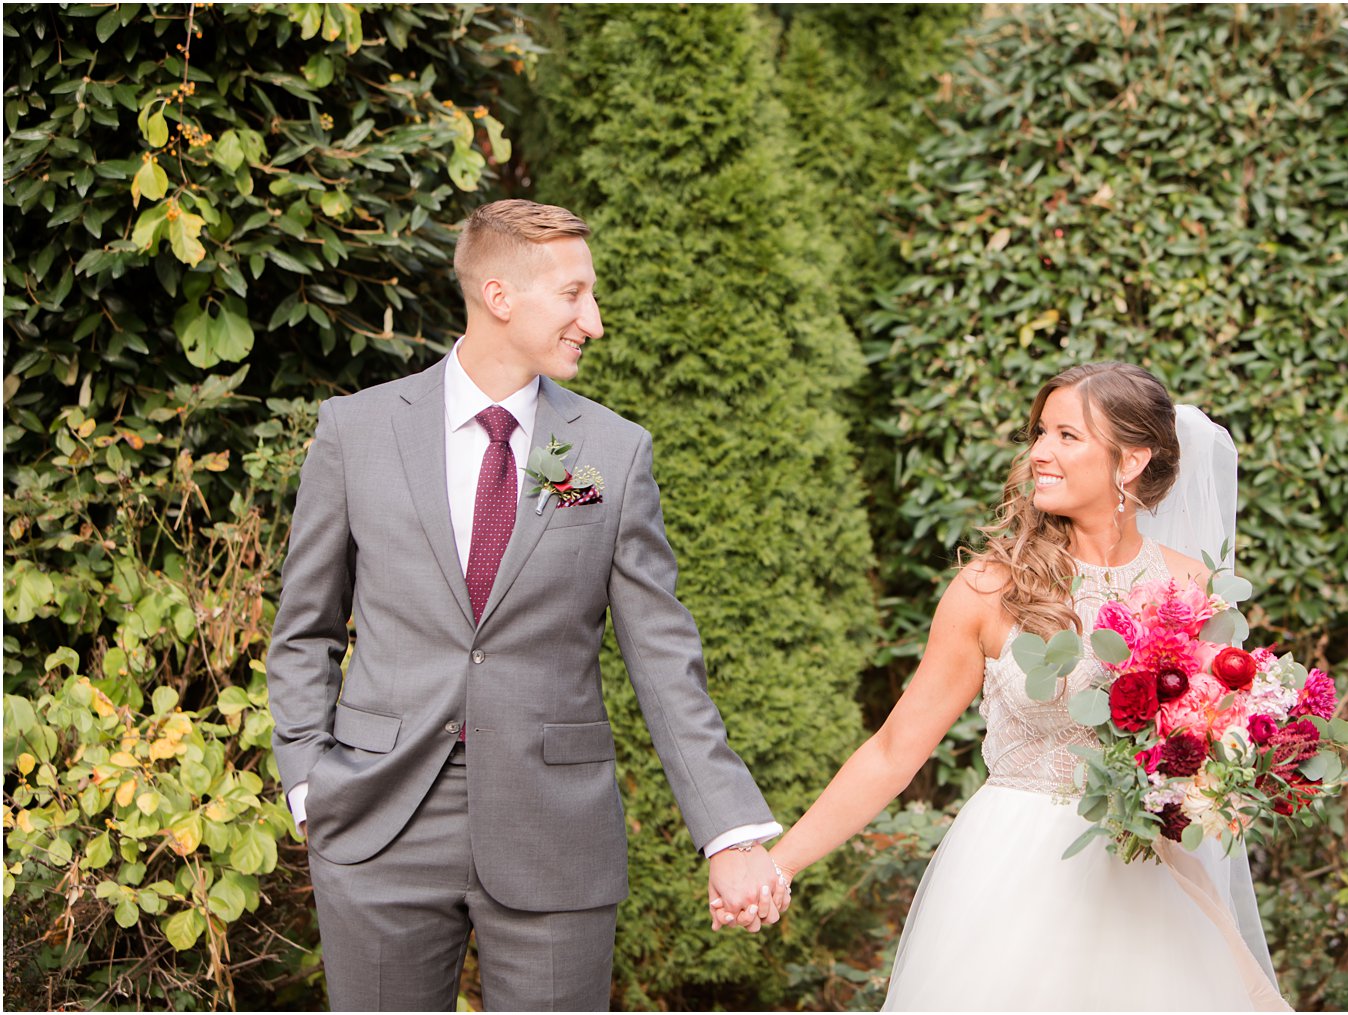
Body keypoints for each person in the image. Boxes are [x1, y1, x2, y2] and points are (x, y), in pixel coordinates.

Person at [266, 199, 787, 1011]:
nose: (596, 320)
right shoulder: (357, 431)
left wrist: (729, 831)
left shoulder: (606, 451)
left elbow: (661, 654)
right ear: (501, 296)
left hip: (554, 833)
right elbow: (304, 628)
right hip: (378, 821)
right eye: (575, 294)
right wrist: (307, 777)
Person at [768, 362, 1290, 1010]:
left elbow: (1218, 745)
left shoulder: (1193, 590)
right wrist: (779, 861)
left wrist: (1225, 775)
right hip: (1010, 873)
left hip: (1145, 882)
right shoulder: (990, 589)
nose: (1040, 450)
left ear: (1130, 461)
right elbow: (893, 749)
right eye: (1040, 431)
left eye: (1067, 435)